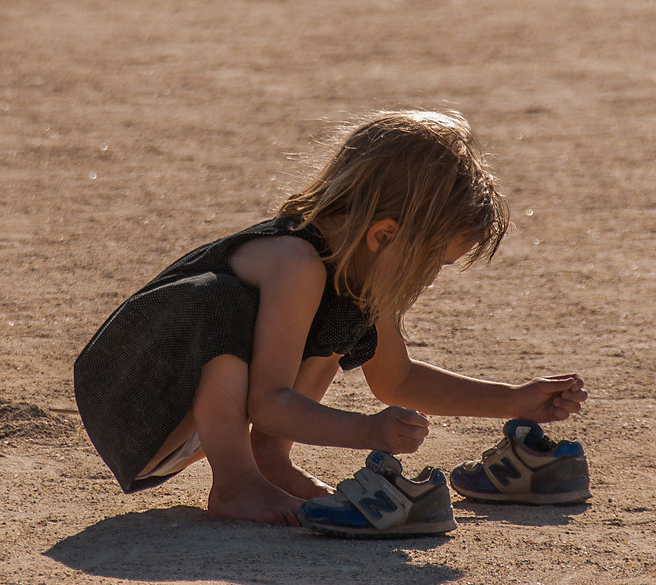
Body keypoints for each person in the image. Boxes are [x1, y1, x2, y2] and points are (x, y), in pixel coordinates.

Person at [74, 109, 587, 526]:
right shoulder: (295, 261)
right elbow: (268, 402)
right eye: (433, 262)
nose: (429, 279)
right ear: (384, 235)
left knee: (347, 310)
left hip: (185, 418)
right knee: (215, 299)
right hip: (134, 400)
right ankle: (236, 483)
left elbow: (399, 379)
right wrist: (369, 432)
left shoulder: (354, 273)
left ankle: (269, 463)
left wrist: (513, 400)